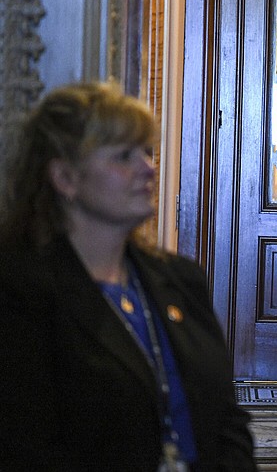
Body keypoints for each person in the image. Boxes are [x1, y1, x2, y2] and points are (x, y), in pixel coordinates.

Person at [0, 81, 257, 471]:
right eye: (124, 156)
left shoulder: (181, 281)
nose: (148, 167)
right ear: (65, 178)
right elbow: (27, 447)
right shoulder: (21, 289)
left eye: (146, 152)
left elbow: (227, 423)